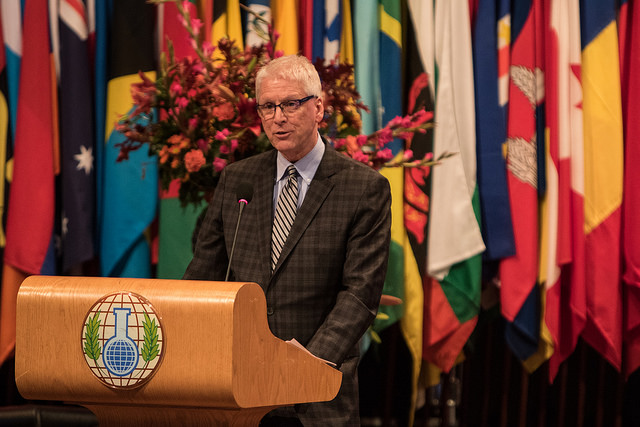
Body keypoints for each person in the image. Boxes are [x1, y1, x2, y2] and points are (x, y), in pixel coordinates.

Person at [183, 54, 391, 426]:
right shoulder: (237, 180)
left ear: (318, 108)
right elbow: (202, 277)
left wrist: (303, 366)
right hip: (237, 391)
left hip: (316, 394)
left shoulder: (363, 188)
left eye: (290, 104)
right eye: (267, 106)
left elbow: (360, 293)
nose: (278, 117)